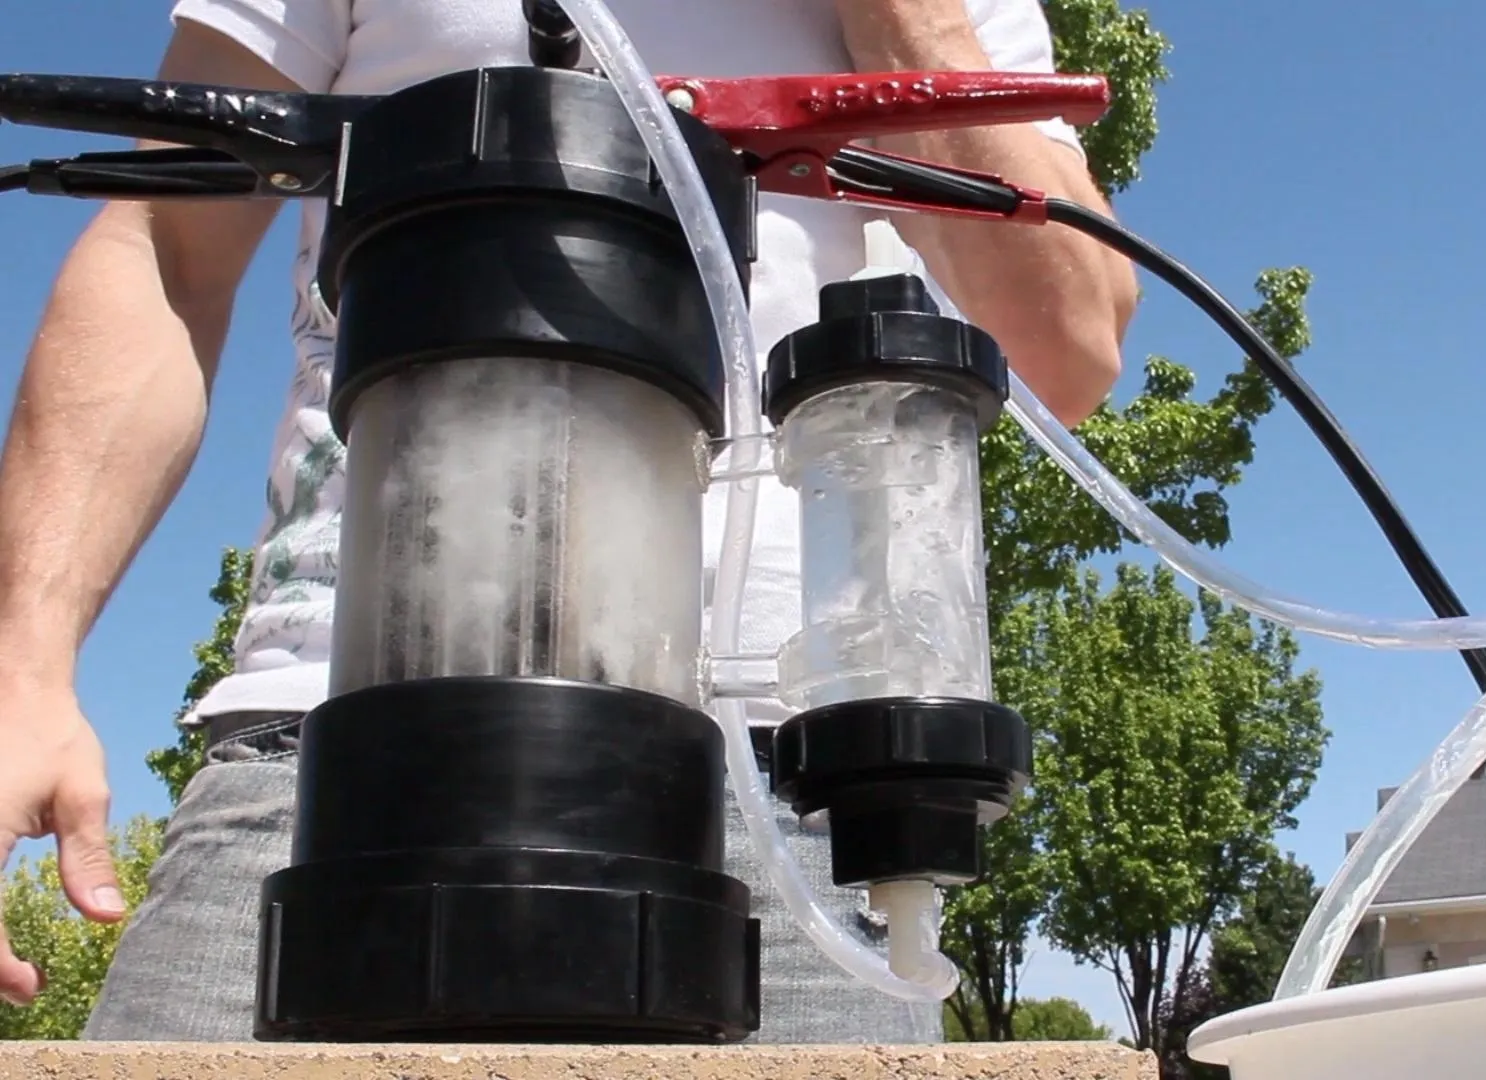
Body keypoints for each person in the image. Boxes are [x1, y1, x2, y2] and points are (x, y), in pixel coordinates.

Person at [0, 0, 1133, 1046]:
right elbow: (164, 243)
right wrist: (22, 664)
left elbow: (1071, 344)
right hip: (324, 743)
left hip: (783, 786)